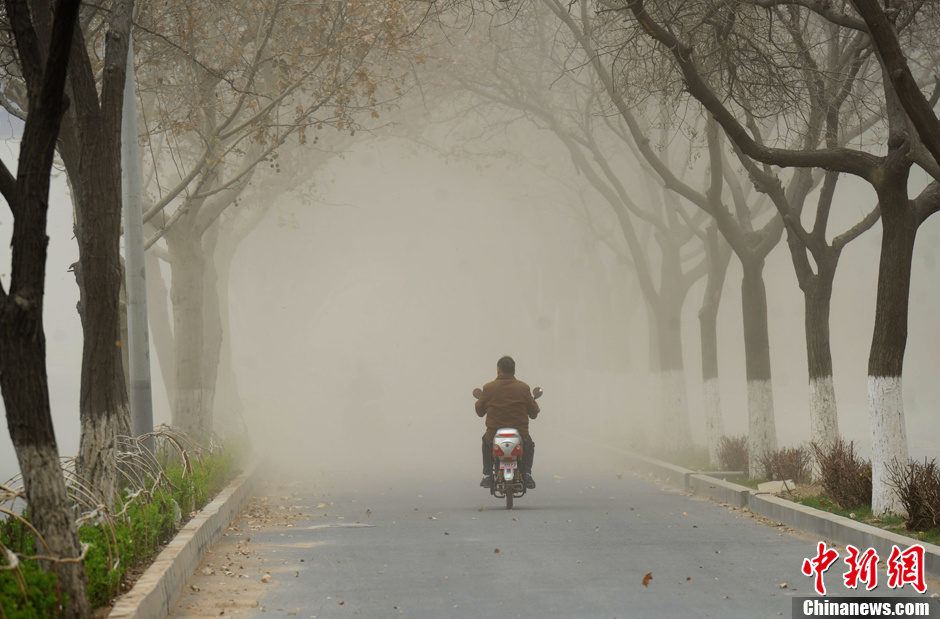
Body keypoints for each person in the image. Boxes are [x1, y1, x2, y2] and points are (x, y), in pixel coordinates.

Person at [473, 356, 540, 490]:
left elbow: (479, 412)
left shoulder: (489, 388)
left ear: (498, 370)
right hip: (520, 433)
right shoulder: (523, 388)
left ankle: (487, 475)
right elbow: (533, 412)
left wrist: (481, 399)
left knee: (485, 442)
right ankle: (526, 474)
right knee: (529, 445)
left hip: (494, 433)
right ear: (514, 371)